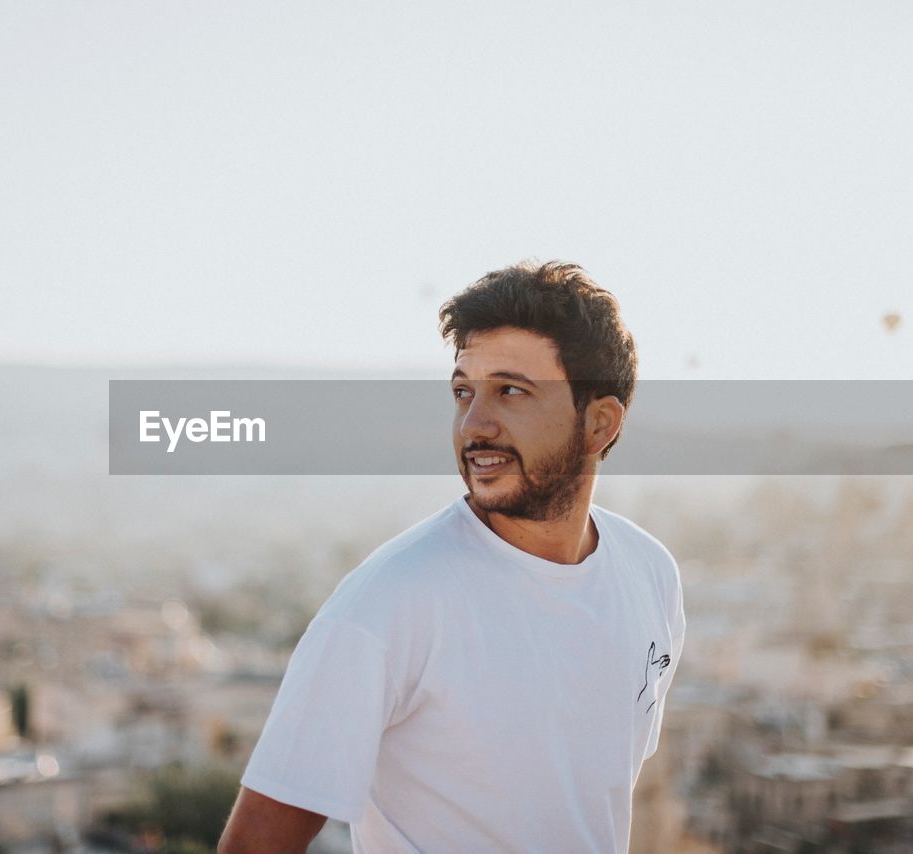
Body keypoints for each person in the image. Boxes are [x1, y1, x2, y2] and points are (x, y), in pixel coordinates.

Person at [218, 260, 686, 853]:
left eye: (511, 391)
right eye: (464, 392)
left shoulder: (649, 575)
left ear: (600, 423)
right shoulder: (387, 604)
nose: (475, 424)